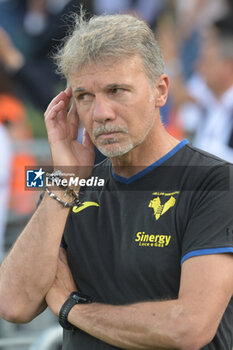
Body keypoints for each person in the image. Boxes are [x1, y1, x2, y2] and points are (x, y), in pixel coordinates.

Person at [0, 13, 233, 350]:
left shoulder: (214, 182)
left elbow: (189, 328)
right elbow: (13, 304)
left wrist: (71, 309)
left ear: (160, 91)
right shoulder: (69, 186)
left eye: (116, 90)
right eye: (84, 96)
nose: (100, 113)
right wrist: (64, 182)